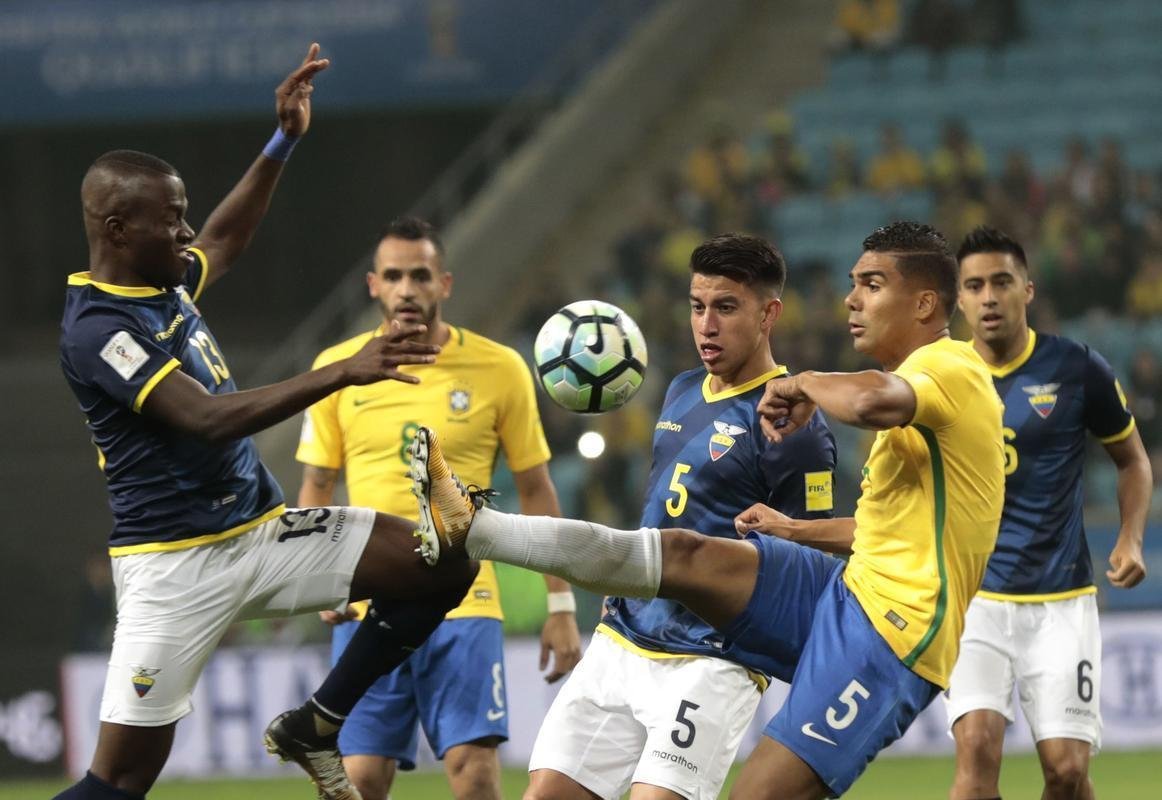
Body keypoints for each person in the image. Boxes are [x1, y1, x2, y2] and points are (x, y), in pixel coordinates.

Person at [412, 221, 1007, 799]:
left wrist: (801, 384)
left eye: (871, 285)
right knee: (683, 550)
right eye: (854, 282)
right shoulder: (683, 389)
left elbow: (873, 402)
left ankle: (477, 530)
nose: (850, 299)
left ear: (926, 304)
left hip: (887, 632)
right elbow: (882, 528)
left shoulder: (949, 368)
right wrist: (790, 528)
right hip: (836, 593)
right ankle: (474, 528)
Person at [54, 45, 479, 800]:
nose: (187, 236)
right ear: (118, 228)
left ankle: (317, 722)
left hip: (263, 531)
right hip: (174, 566)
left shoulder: (164, 280)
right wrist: (342, 370)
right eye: (170, 221)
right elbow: (207, 419)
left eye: (185, 216)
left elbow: (225, 238)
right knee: (117, 783)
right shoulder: (97, 332)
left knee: (444, 564)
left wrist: (282, 140)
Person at [526, 233, 837, 800]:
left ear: (769, 313)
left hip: (711, 658)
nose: (706, 326)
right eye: (697, 307)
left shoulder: (796, 424)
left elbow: (810, 559)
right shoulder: (681, 389)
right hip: (623, 637)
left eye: (725, 307)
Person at [296, 215, 582, 800]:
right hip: (367, 600)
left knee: (474, 774)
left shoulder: (500, 368)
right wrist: (317, 580)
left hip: (465, 600)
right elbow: (317, 485)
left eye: (420, 275)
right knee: (356, 781)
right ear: (373, 286)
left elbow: (536, 490)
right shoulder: (339, 368)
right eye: (394, 276)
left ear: (444, 284)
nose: (407, 289)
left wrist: (561, 601)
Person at [947, 226, 1152, 800]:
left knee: (1066, 773)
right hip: (974, 601)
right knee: (976, 756)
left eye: (1001, 282)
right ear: (958, 299)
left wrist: (1131, 538)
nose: (989, 297)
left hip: (1060, 602)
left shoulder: (1077, 368)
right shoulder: (938, 376)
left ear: (1027, 290)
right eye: (975, 286)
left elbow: (1133, 462)